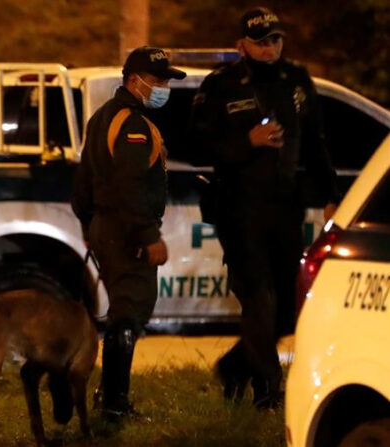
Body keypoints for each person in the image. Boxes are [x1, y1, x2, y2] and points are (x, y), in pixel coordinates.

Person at [189, 7, 339, 409]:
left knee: (290, 306)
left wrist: (331, 193)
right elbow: (197, 146)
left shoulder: (297, 80)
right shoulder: (221, 85)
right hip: (238, 207)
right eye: (260, 41)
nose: (270, 47)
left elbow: (316, 141)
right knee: (257, 299)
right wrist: (247, 142)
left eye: (275, 39)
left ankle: (237, 366)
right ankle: (269, 390)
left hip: (285, 206)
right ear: (242, 46)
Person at [72, 47, 185, 421]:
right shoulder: (133, 125)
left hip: (107, 229)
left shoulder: (104, 117)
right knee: (129, 313)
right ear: (132, 80)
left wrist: (89, 226)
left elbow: (83, 181)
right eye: (156, 81)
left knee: (124, 309)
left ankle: (109, 396)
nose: (162, 87)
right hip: (126, 233)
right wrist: (148, 235)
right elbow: (130, 185)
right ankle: (114, 404)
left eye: (166, 81)